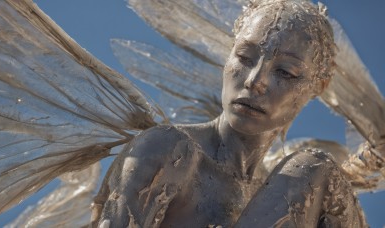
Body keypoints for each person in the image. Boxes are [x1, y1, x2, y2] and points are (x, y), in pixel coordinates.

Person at [91, 0, 367, 227]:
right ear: (228, 56)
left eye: (285, 72)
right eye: (245, 58)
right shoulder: (170, 151)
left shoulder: (284, 186)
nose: (255, 80)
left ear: (317, 87)